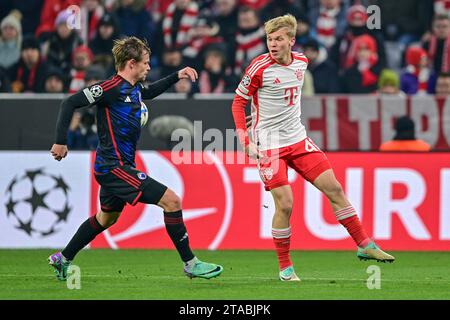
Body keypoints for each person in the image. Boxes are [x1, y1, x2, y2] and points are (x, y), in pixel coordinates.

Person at [231, 14, 394, 282]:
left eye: (279, 39)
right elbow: (238, 102)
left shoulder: (302, 62)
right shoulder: (259, 67)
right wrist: (245, 140)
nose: (273, 44)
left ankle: (365, 245)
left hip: (298, 139)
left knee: (335, 189)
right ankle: (285, 268)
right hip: (269, 145)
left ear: (291, 41)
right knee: (285, 204)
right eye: (270, 39)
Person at [48, 36, 223, 281]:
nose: (149, 67)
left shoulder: (135, 88)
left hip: (118, 166)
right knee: (172, 201)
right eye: (146, 63)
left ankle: (63, 259)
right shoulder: (110, 88)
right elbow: (69, 102)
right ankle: (191, 263)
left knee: (106, 218)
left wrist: (177, 75)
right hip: (113, 167)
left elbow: (149, 92)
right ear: (131, 63)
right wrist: (60, 141)